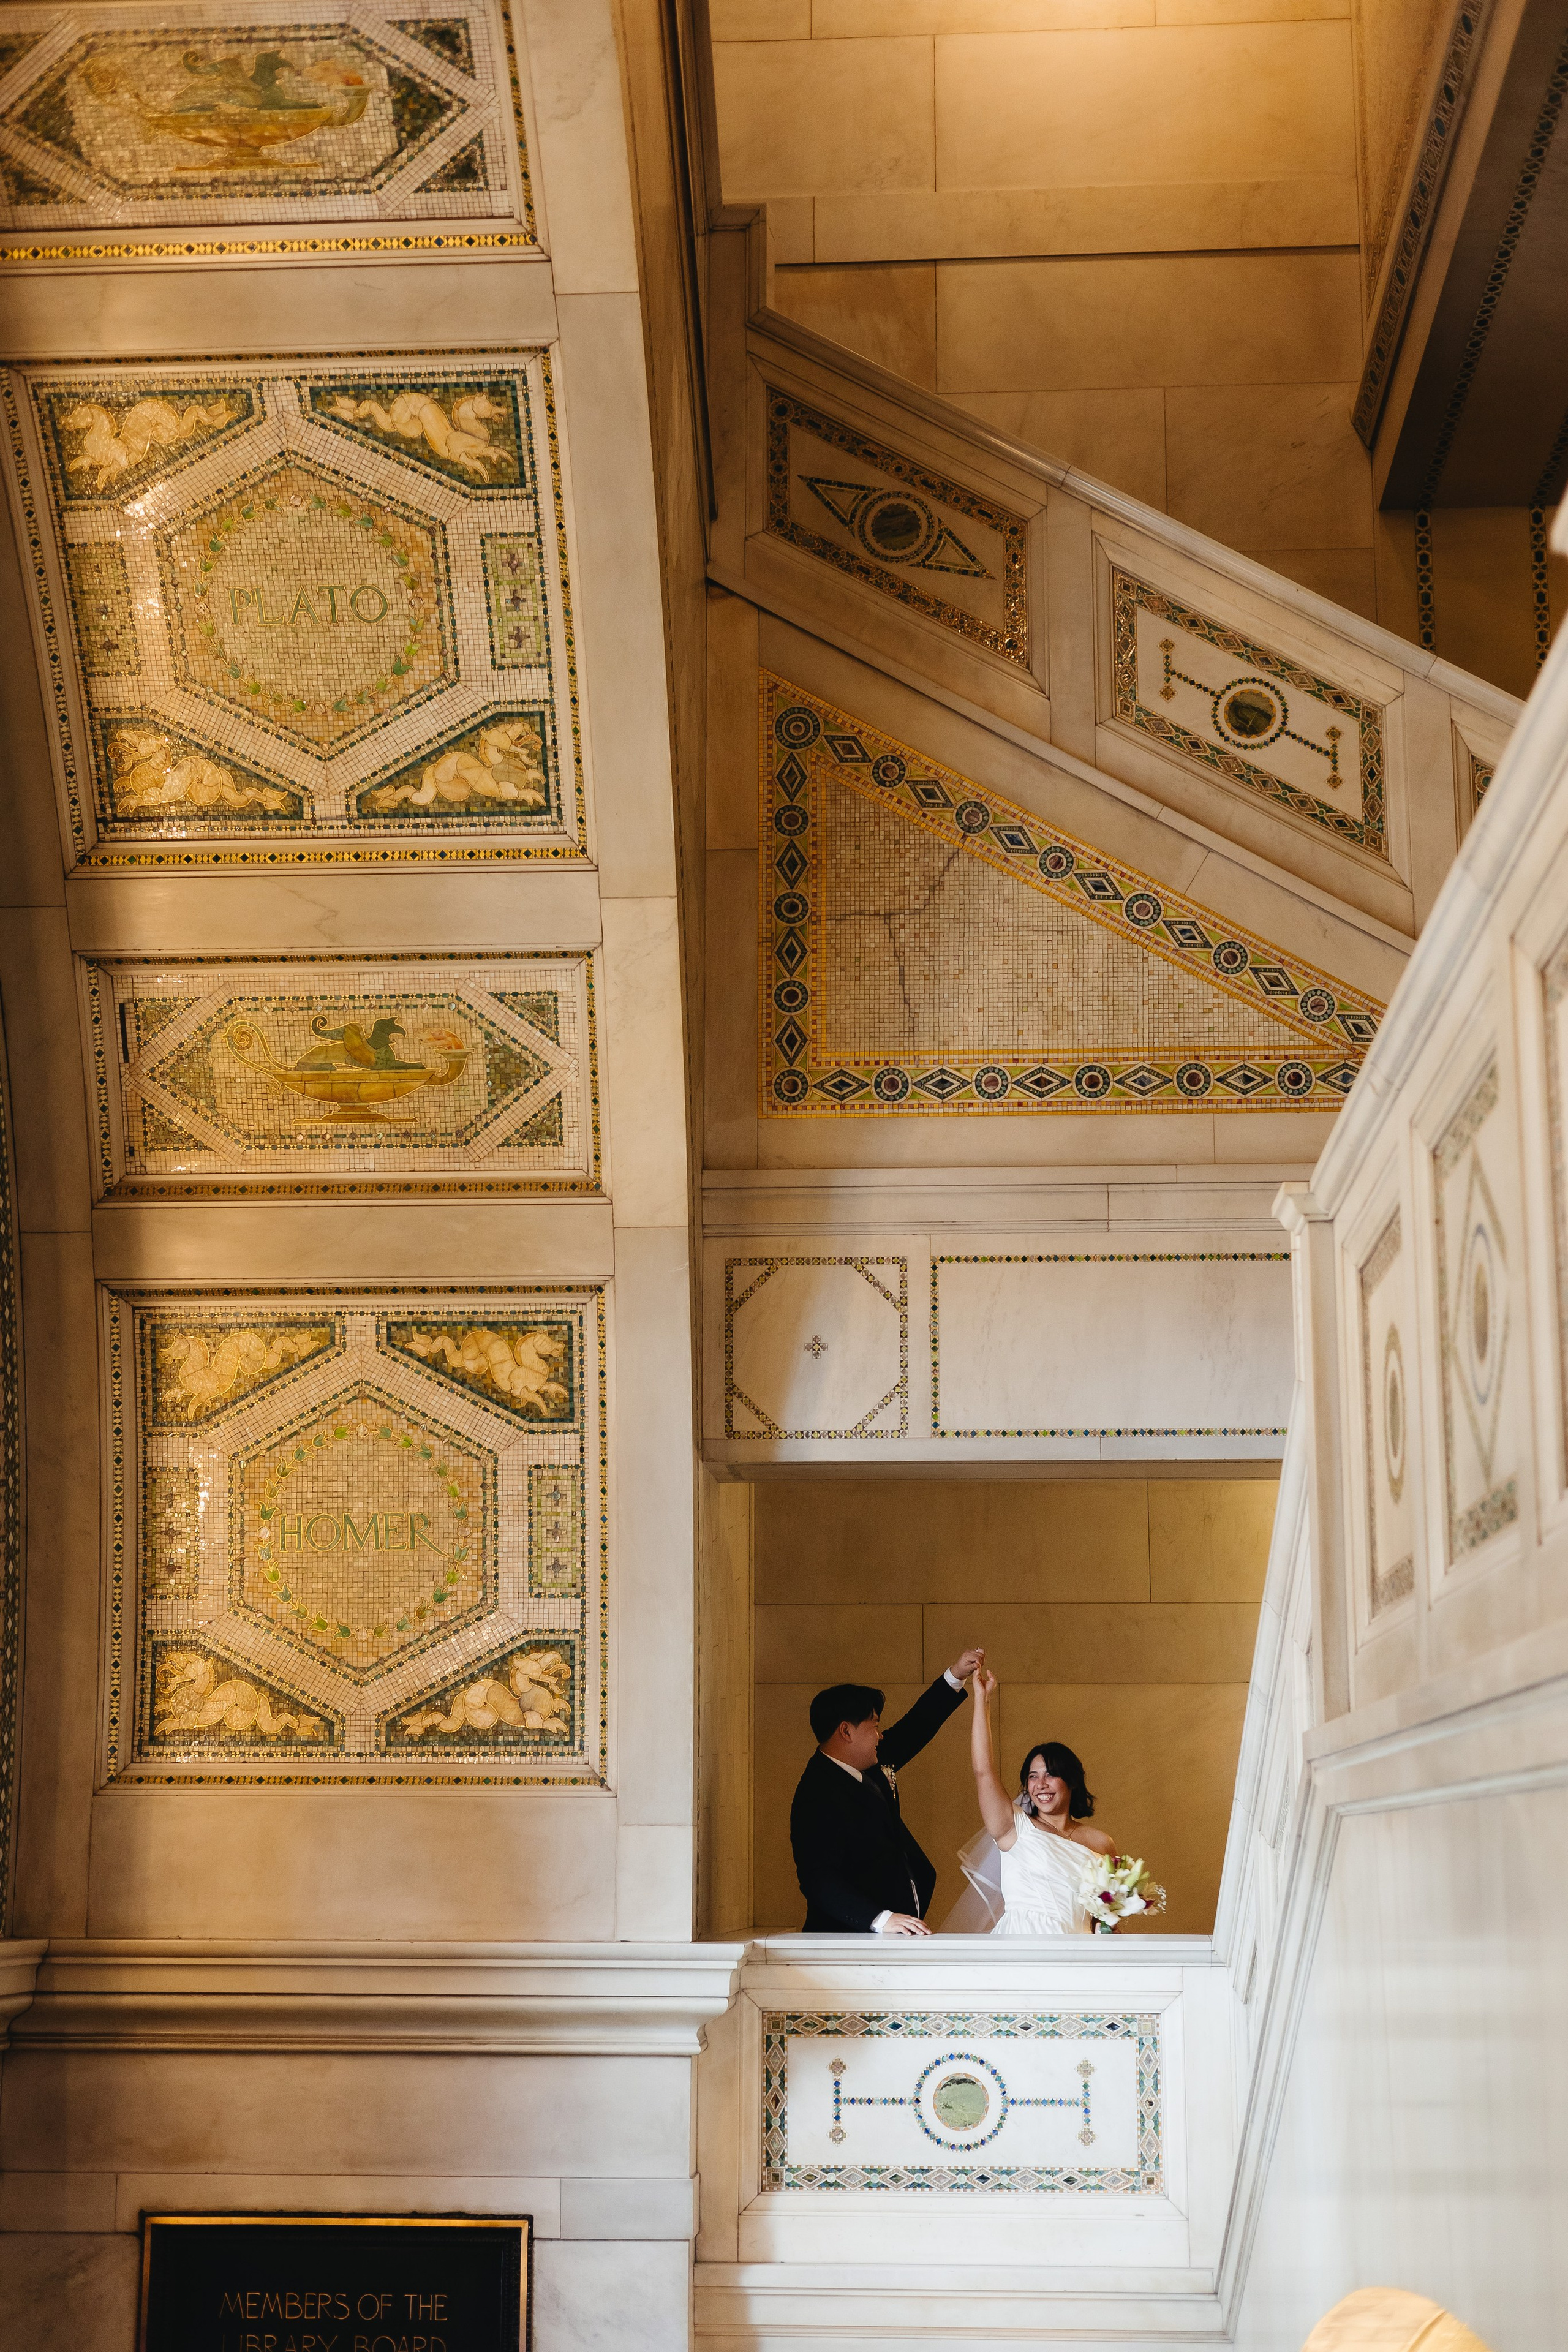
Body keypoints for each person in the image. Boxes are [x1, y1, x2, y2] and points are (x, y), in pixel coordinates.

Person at [790, 1648, 983, 1933]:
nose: (881, 1736)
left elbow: (915, 1727)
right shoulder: (815, 1793)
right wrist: (881, 1919)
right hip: (847, 1939)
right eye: (875, 1726)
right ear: (846, 1732)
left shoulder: (869, 1762)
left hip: (896, 1932)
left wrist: (955, 1675)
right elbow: (817, 1879)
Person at [954, 1665, 1117, 1934]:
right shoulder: (1012, 1827)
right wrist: (982, 1702)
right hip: (1022, 1949)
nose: (1041, 1785)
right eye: (1032, 1776)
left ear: (1072, 1780)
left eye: (1051, 1775)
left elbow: (1106, 1918)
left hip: (1081, 1954)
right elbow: (983, 1771)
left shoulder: (1102, 1843)